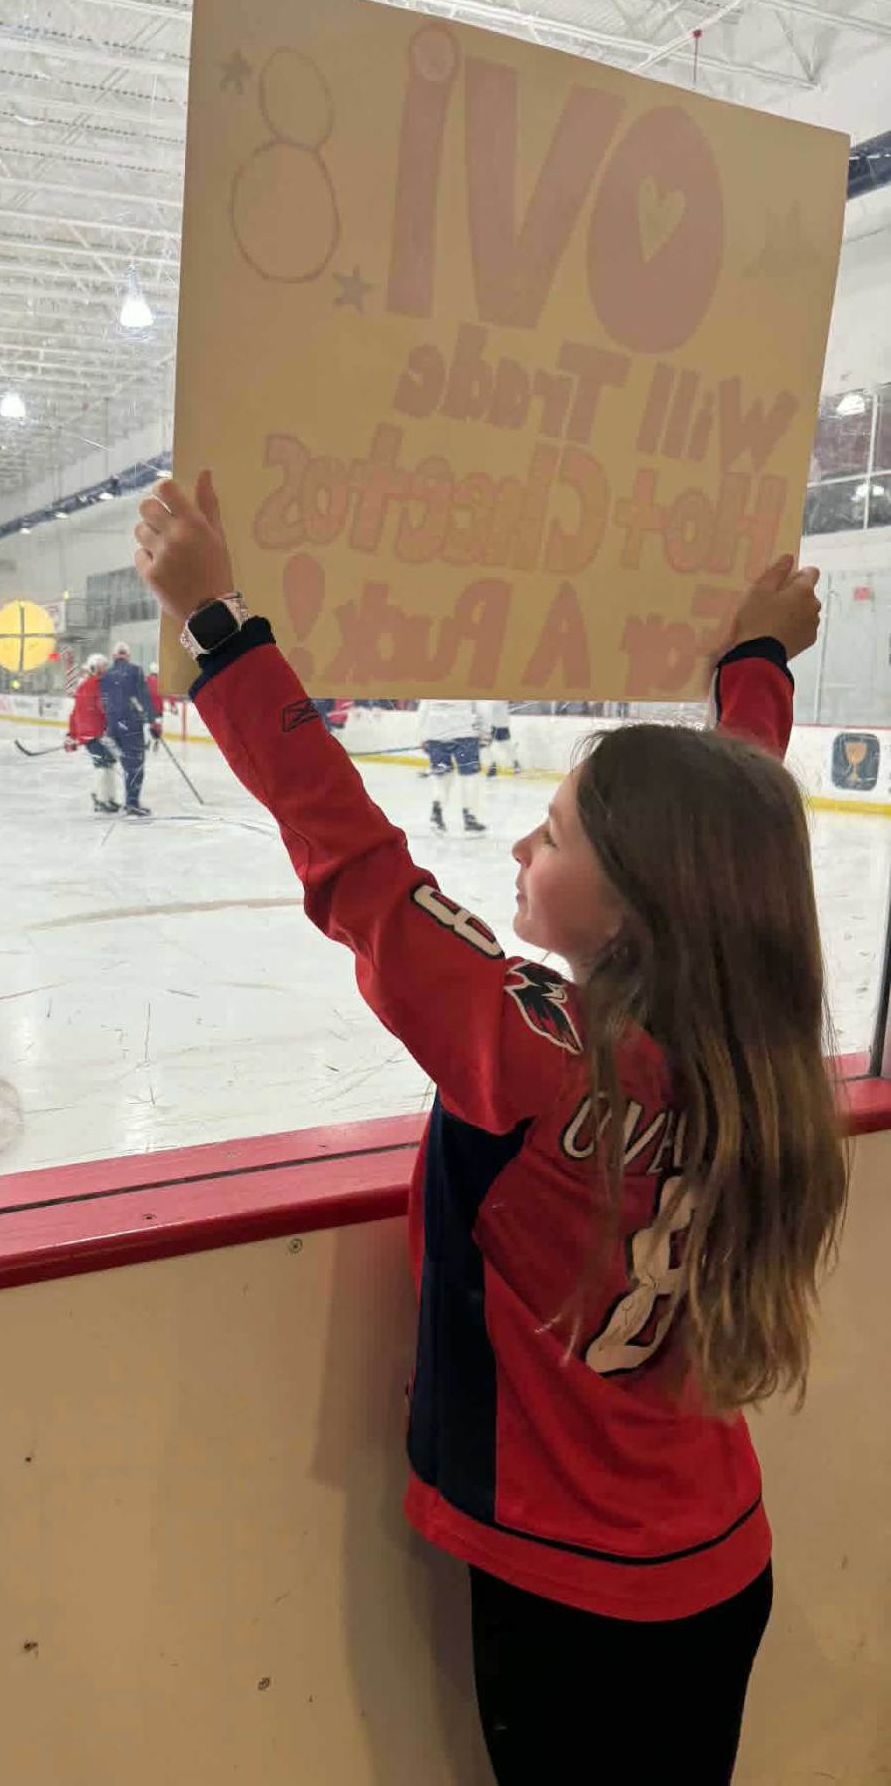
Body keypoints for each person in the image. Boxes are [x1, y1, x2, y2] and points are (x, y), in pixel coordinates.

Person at [134, 472, 847, 1785]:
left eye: (558, 831)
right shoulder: (756, 1058)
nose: (521, 841)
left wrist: (218, 627)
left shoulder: (532, 1057)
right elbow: (726, 832)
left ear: (631, 909)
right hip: (717, 1559)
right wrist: (752, 666)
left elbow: (355, 863)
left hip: (567, 1596)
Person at [99, 641, 160, 817]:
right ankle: (131, 802)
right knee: (135, 765)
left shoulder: (107, 674)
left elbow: (102, 702)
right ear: (128, 655)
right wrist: (152, 720)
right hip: (131, 724)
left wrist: (106, 725)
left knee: (115, 763)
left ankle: (106, 798)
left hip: (113, 726)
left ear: (114, 656)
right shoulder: (135, 671)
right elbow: (143, 696)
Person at [419, 698, 485, 834]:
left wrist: (423, 736)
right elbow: (482, 709)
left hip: (436, 735)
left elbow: (422, 711)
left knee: (442, 777)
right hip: (465, 735)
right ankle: (469, 818)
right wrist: (485, 731)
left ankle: (436, 814)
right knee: (470, 778)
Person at [64, 653, 119, 814]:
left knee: (107, 764)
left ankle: (107, 799)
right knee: (103, 766)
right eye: (104, 667)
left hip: (92, 735)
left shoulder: (83, 686)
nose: (106, 670)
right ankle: (102, 800)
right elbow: (106, 710)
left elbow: (75, 714)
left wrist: (72, 734)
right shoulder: (100, 685)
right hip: (97, 734)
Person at [482, 699, 520, 777]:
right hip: (494, 727)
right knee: (486, 747)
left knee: (507, 747)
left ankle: (516, 764)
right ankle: (493, 766)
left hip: (502, 726)